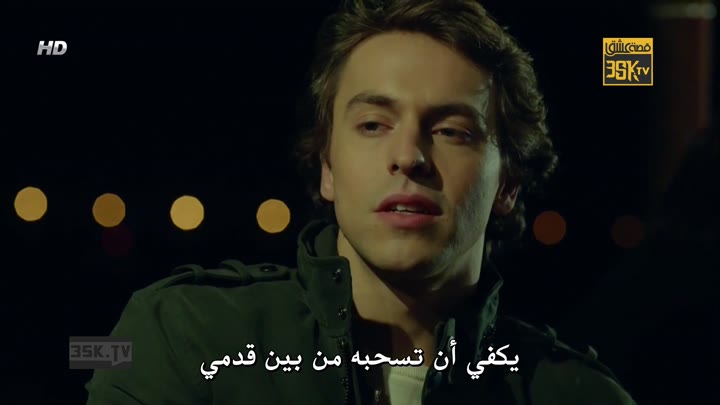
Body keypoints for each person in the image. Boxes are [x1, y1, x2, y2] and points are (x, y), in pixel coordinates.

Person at [85, 0, 636, 403]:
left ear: (508, 185)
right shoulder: (183, 336)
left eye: (451, 131)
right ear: (327, 166)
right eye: (373, 124)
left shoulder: (577, 395)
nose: (409, 156)